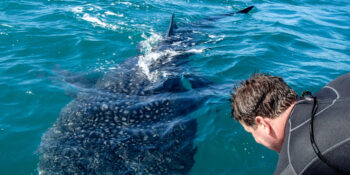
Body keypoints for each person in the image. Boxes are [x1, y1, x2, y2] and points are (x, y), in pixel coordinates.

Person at [230, 73, 350, 175]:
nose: (256, 139)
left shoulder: (294, 166)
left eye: (251, 132)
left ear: (262, 123)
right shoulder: (341, 82)